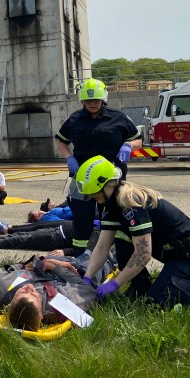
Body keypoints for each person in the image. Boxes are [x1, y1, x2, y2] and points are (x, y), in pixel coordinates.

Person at [77, 156, 190, 308]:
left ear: (105, 185)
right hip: (173, 254)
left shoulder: (131, 203)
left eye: (94, 193)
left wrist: (115, 284)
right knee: (122, 241)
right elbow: (102, 246)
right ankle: (140, 287)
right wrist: (88, 277)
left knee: (159, 306)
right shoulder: (111, 205)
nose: (91, 197)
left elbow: (143, 254)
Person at [55, 78, 142, 256]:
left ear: (103, 99)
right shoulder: (74, 119)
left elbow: (138, 140)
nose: (92, 104)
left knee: (113, 217)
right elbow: (61, 140)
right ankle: (81, 254)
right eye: (88, 101)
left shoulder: (119, 117)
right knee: (81, 217)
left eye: (96, 100)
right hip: (81, 178)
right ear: (82, 101)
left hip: (111, 179)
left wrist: (129, 146)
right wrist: (69, 157)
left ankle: (112, 254)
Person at [0, 251, 116, 331]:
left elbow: (15, 267)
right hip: (74, 272)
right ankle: (111, 255)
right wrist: (56, 268)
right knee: (97, 261)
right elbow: (85, 288)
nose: (29, 288)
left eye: (22, 292)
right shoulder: (61, 305)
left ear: (9, 305)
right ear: (41, 315)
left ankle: (87, 251)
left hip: (48, 262)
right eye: (33, 295)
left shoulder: (2, 286)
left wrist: (34, 264)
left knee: (82, 254)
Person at [0, 220, 76, 251]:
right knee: (18, 236)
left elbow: (89, 250)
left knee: (16, 240)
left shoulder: (95, 235)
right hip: (58, 230)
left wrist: (66, 251)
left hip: (58, 238)